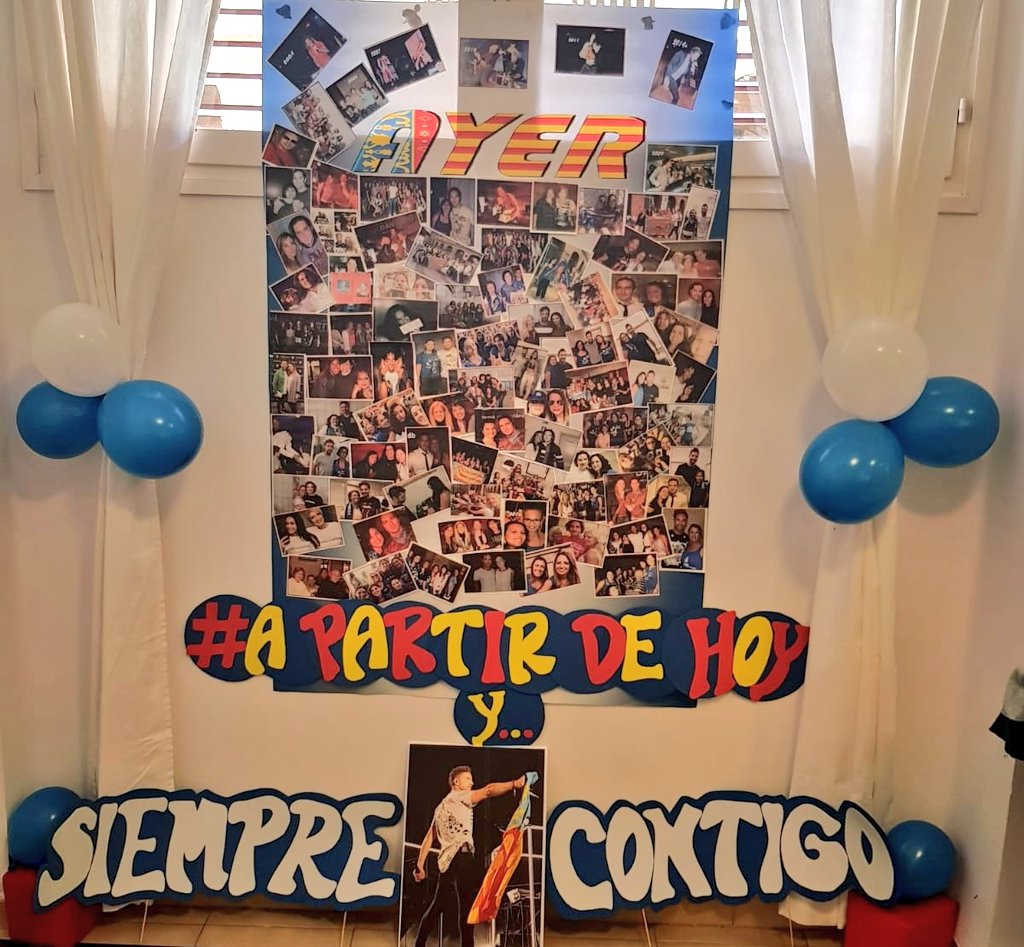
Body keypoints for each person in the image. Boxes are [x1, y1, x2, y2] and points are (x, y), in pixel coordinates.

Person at [412, 766, 530, 947]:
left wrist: (419, 866)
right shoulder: (461, 797)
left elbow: (429, 837)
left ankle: (419, 943)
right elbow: (488, 790)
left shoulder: (440, 807)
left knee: (437, 906)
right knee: (466, 907)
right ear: (456, 782)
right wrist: (514, 784)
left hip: (446, 863)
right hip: (462, 858)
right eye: (467, 779)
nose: (472, 782)